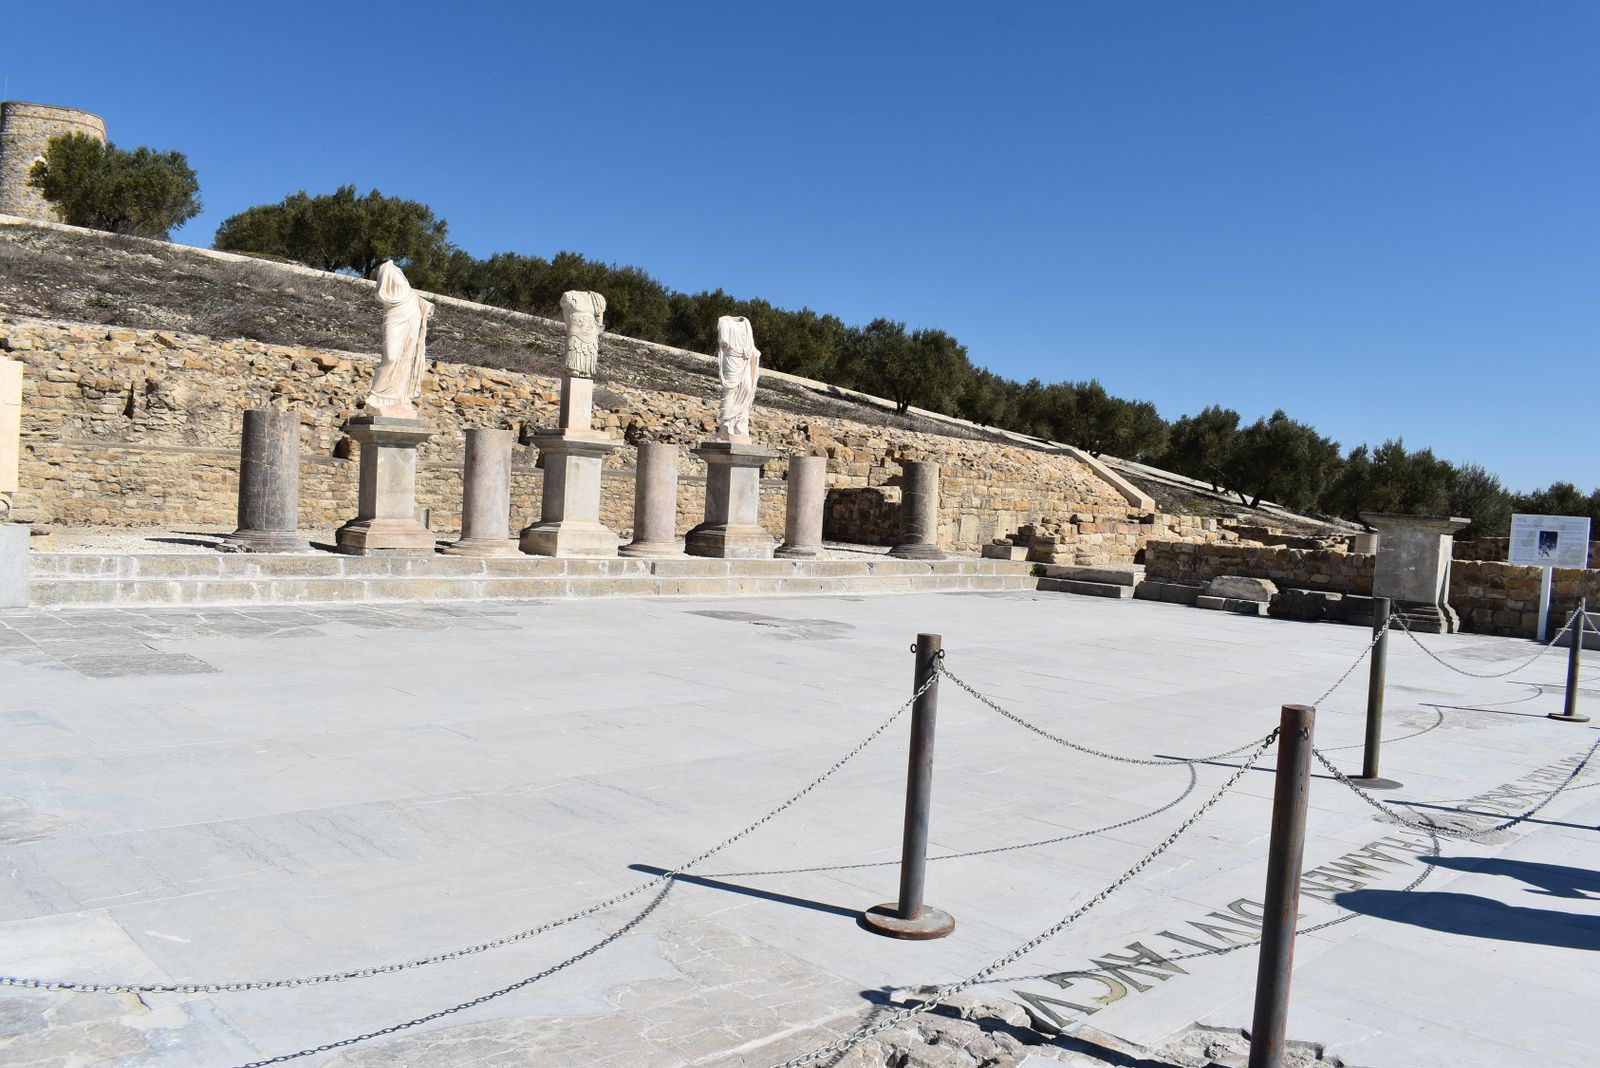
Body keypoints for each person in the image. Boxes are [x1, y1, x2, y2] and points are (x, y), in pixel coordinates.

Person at [364, 261, 434, 418]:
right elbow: (381, 293)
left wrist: (425, 305)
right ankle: (376, 397)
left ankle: (399, 400)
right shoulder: (386, 268)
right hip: (395, 314)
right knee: (391, 356)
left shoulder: (400, 272)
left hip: (412, 314)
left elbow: (410, 294)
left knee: (406, 359)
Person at [715, 315, 761, 441]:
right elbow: (724, 342)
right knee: (730, 390)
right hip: (732, 359)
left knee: (747, 390)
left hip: (745, 360)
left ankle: (740, 426)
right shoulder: (724, 322)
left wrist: (755, 353)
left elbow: (751, 345)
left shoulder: (746, 323)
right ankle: (726, 425)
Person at [561, 290, 606, 377]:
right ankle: (573, 368)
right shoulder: (568, 296)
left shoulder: (598, 298)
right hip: (576, 326)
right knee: (573, 346)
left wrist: (597, 330)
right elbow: (567, 319)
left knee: (590, 349)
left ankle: (586, 370)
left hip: (591, 329)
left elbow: (599, 319)